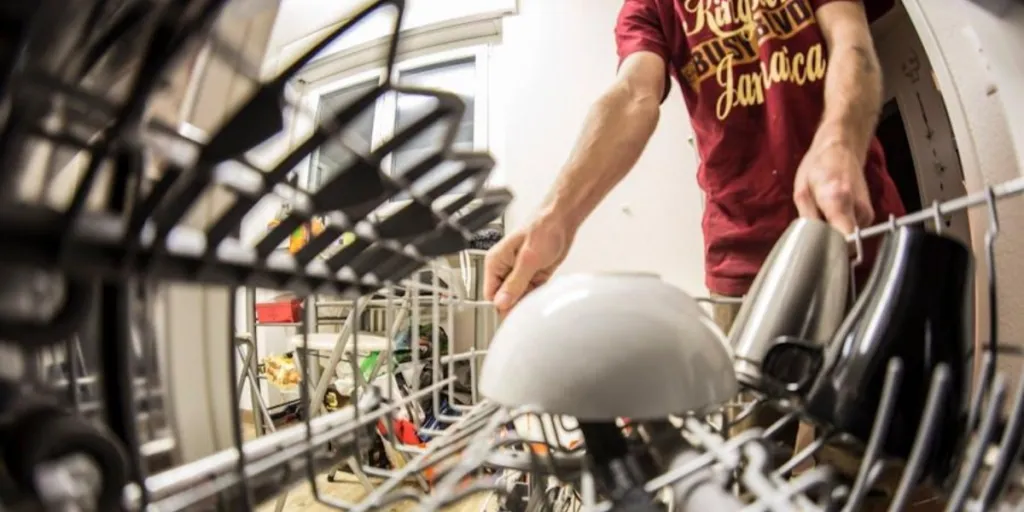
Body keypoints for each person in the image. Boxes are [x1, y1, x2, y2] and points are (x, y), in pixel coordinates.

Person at [483, 0, 943, 509]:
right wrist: (555, 217)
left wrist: (839, 140)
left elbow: (852, 42)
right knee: (748, 466)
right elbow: (635, 94)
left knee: (879, 470)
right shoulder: (649, 8)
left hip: (859, 236)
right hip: (741, 262)